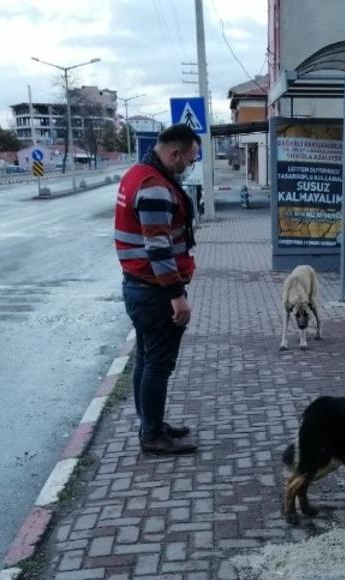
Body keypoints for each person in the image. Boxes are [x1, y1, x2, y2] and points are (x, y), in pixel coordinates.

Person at [115, 123, 202, 454]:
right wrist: (177, 296)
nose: (190, 166)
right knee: (158, 364)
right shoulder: (153, 186)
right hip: (154, 291)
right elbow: (158, 248)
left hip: (140, 287)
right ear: (174, 153)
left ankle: (150, 423)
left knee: (146, 359)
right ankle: (152, 435)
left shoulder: (137, 173)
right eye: (190, 159)